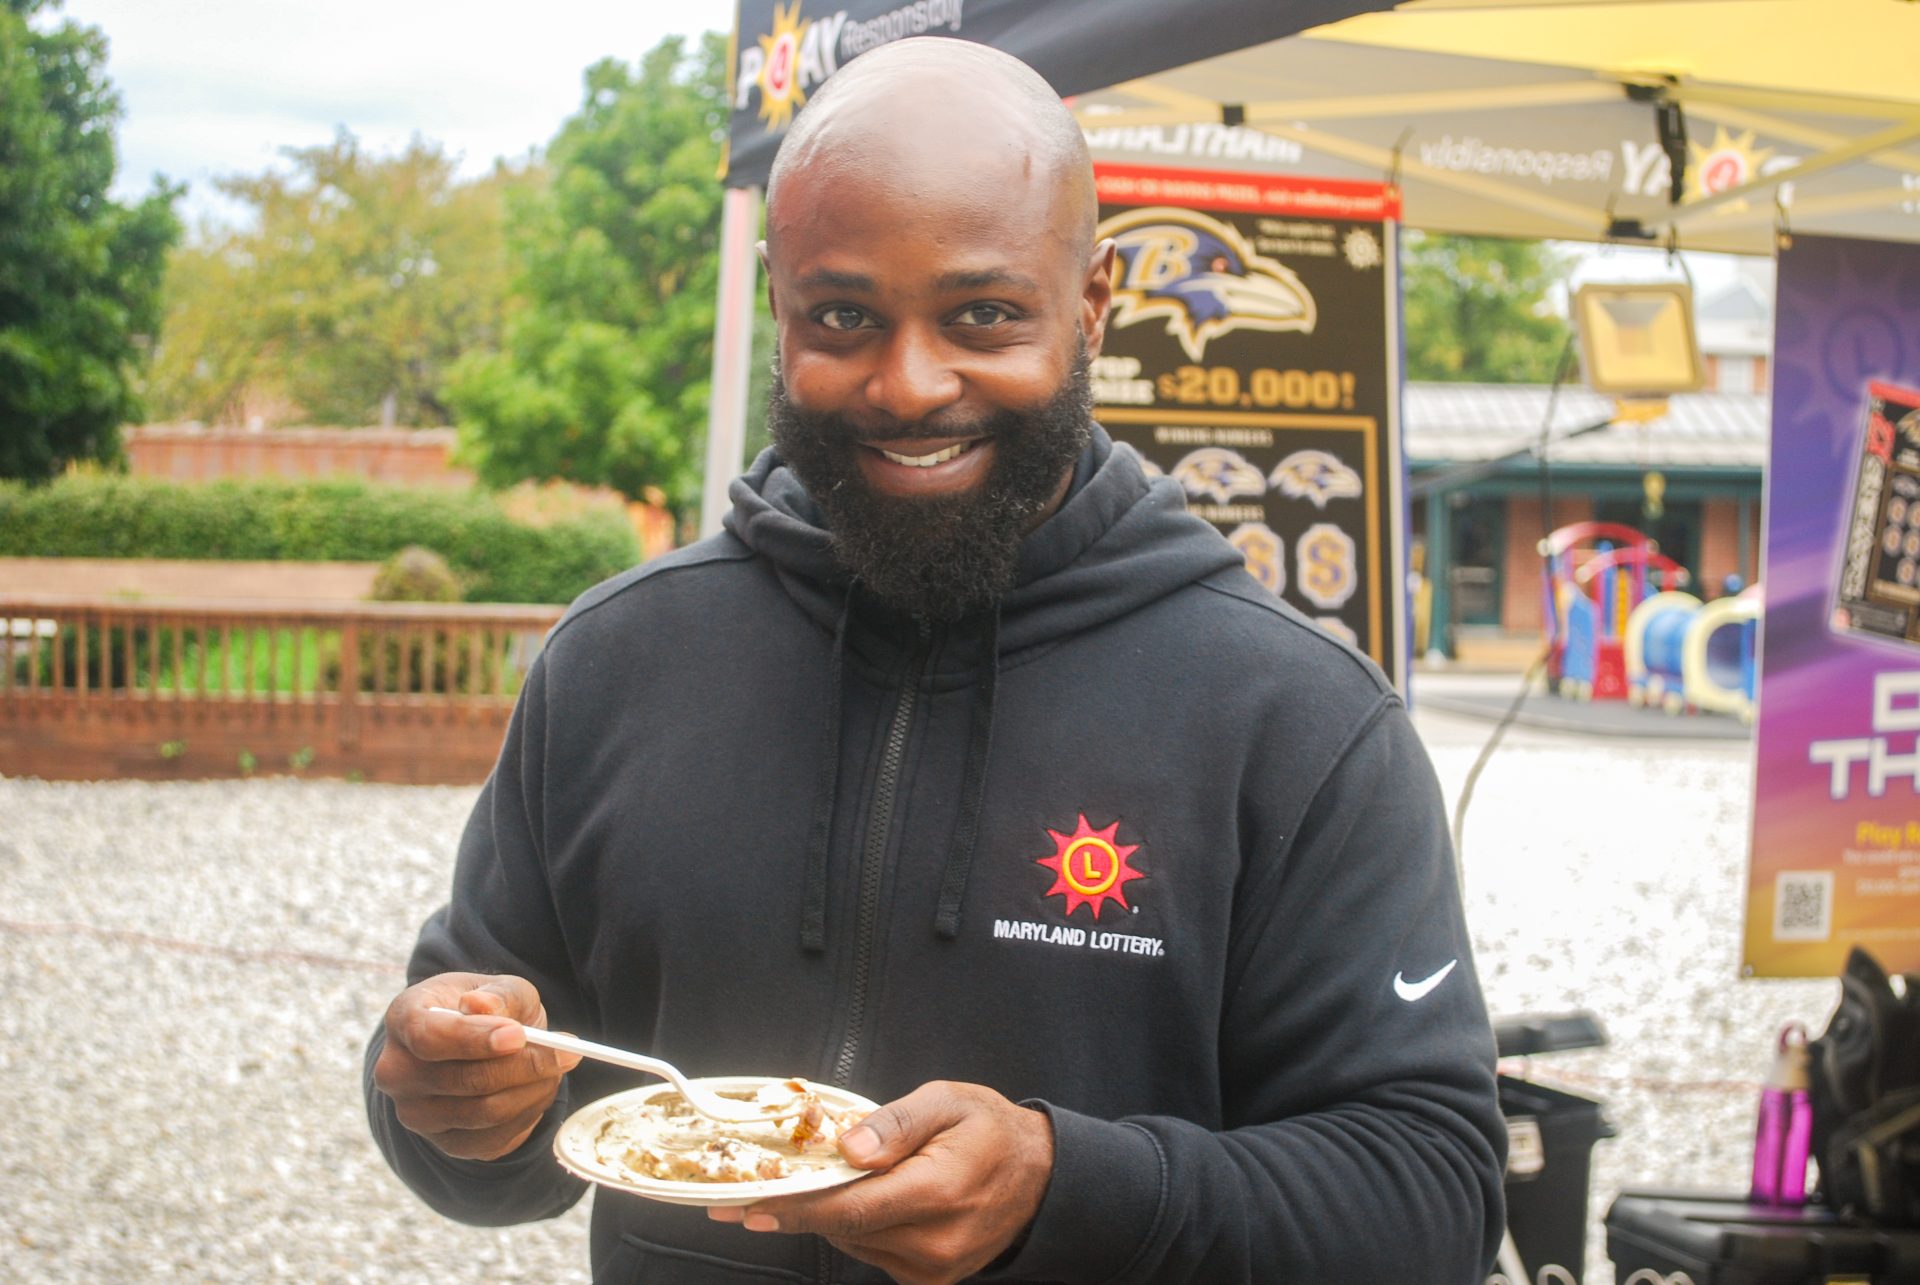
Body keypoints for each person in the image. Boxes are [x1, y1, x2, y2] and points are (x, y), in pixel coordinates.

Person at [365, 36, 1506, 1285]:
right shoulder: (616, 662)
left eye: (984, 314)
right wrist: (450, 1097)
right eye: (844, 316)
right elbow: (489, 1124)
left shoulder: (1295, 717)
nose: (909, 384)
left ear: (1093, 302)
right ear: (777, 299)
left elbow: (1431, 1199)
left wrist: (1068, 1189)